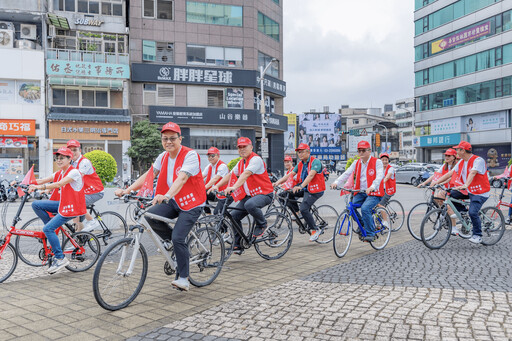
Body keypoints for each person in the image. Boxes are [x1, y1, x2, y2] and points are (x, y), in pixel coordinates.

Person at [115, 121, 206, 291]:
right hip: (172, 200)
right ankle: (173, 243)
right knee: (149, 217)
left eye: (172, 138)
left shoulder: (190, 155)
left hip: (192, 202)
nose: (168, 142)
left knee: (179, 237)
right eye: (165, 138)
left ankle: (184, 278)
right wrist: (128, 190)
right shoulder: (163, 157)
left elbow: (182, 178)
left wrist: (167, 195)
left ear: (180, 139)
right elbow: (149, 175)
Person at [209, 137, 273, 251]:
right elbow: (230, 175)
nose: (242, 149)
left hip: (264, 193)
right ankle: (238, 244)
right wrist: (217, 185)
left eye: (245, 146)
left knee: (250, 204)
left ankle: (262, 224)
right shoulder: (241, 162)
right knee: (234, 216)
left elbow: (246, 174)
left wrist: (234, 187)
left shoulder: (255, 159)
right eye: (240, 147)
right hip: (250, 195)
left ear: (251, 147)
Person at [29, 147, 86, 274]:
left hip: (71, 208)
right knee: (36, 204)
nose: (59, 160)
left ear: (69, 159)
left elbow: (58, 184)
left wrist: (39, 187)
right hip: (63, 205)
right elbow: (42, 180)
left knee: (47, 229)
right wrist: (24, 183)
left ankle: (60, 258)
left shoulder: (74, 172)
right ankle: (51, 228)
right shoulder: (60, 173)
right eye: (57, 158)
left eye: (62, 158)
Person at [433, 141, 490, 244]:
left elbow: (472, 173)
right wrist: (435, 183)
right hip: (468, 191)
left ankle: (478, 235)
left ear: (463, 150)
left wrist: (466, 185)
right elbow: (451, 173)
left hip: (480, 192)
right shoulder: (462, 162)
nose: (456, 152)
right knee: (450, 196)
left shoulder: (478, 160)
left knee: (473, 212)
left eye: (457, 149)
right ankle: (463, 212)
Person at [331, 141, 384, 241]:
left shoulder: (377, 162)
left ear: (369, 151)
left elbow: (380, 176)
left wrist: (372, 187)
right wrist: (336, 182)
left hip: (374, 192)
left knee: (365, 208)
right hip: (360, 192)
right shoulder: (356, 163)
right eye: (359, 151)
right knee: (350, 207)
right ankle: (364, 223)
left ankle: (371, 233)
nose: (361, 153)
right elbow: (346, 174)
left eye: (363, 150)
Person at [273, 143, 326, 241]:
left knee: (304, 208)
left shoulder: (316, 162)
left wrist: (300, 186)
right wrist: (277, 183)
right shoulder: (300, 163)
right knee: (283, 195)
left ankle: (315, 229)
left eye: (302, 152)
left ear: (308, 152)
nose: (300, 154)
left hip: (315, 190)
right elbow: (290, 175)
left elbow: (311, 176)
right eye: (298, 152)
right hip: (306, 188)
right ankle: (297, 213)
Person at [66, 139, 105, 232]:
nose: (72, 152)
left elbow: (77, 178)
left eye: (75, 150)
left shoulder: (84, 162)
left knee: (75, 202)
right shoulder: (71, 163)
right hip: (84, 192)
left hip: (95, 191)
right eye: (70, 150)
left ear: (80, 151)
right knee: (75, 214)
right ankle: (78, 237)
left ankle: (91, 221)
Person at [418, 148, 459, 226]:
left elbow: (450, 177)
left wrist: (440, 183)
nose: (446, 157)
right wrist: (424, 183)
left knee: (448, 206)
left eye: (449, 156)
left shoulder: (457, 166)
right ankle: (444, 215)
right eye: (446, 155)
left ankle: (454, 227)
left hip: (455, 189)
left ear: (454, 157)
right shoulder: (444, 165)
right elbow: (435, 175)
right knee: (436, 198)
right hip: (447, 189)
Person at [202, 147, 230, 215]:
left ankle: (226, 224)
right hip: (215, 192)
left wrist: (203, 188)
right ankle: (208, 213)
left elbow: (215, 179)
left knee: (217, 213)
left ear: (218, 156)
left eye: (213, 155)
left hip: (225, 193)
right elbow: (201, 176)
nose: (210, 157)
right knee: (201, 194)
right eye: (209, 156)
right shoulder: (209, 166)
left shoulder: (222, 166)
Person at [376, 153, 395, 226]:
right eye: (383, 160)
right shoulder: (379, 169)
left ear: (388, 161)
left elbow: (387, 177)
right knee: (374, 202)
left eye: (386, 160)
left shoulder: (391, 168)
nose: (384, 161)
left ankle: (385, 222)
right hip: (381, 189)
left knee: (380, 204)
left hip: (389, 190)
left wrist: (379, 183)